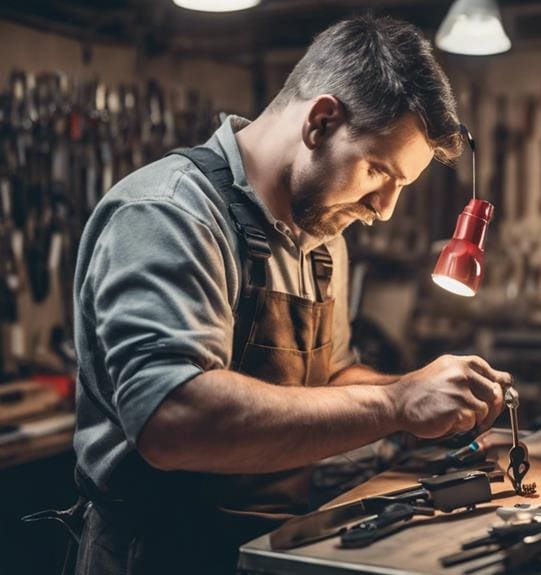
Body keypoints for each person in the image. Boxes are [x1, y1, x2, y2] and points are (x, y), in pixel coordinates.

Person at [69, 15, 511, 573]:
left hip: (269, 546)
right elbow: (174, 421)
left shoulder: (323, 235)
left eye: (402, 185)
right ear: (321, 121)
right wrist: (396, 403)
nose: (384, 209)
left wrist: (426, 396)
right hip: (160, 553)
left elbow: (327, 380)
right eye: (378, 171)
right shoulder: (171, 213)